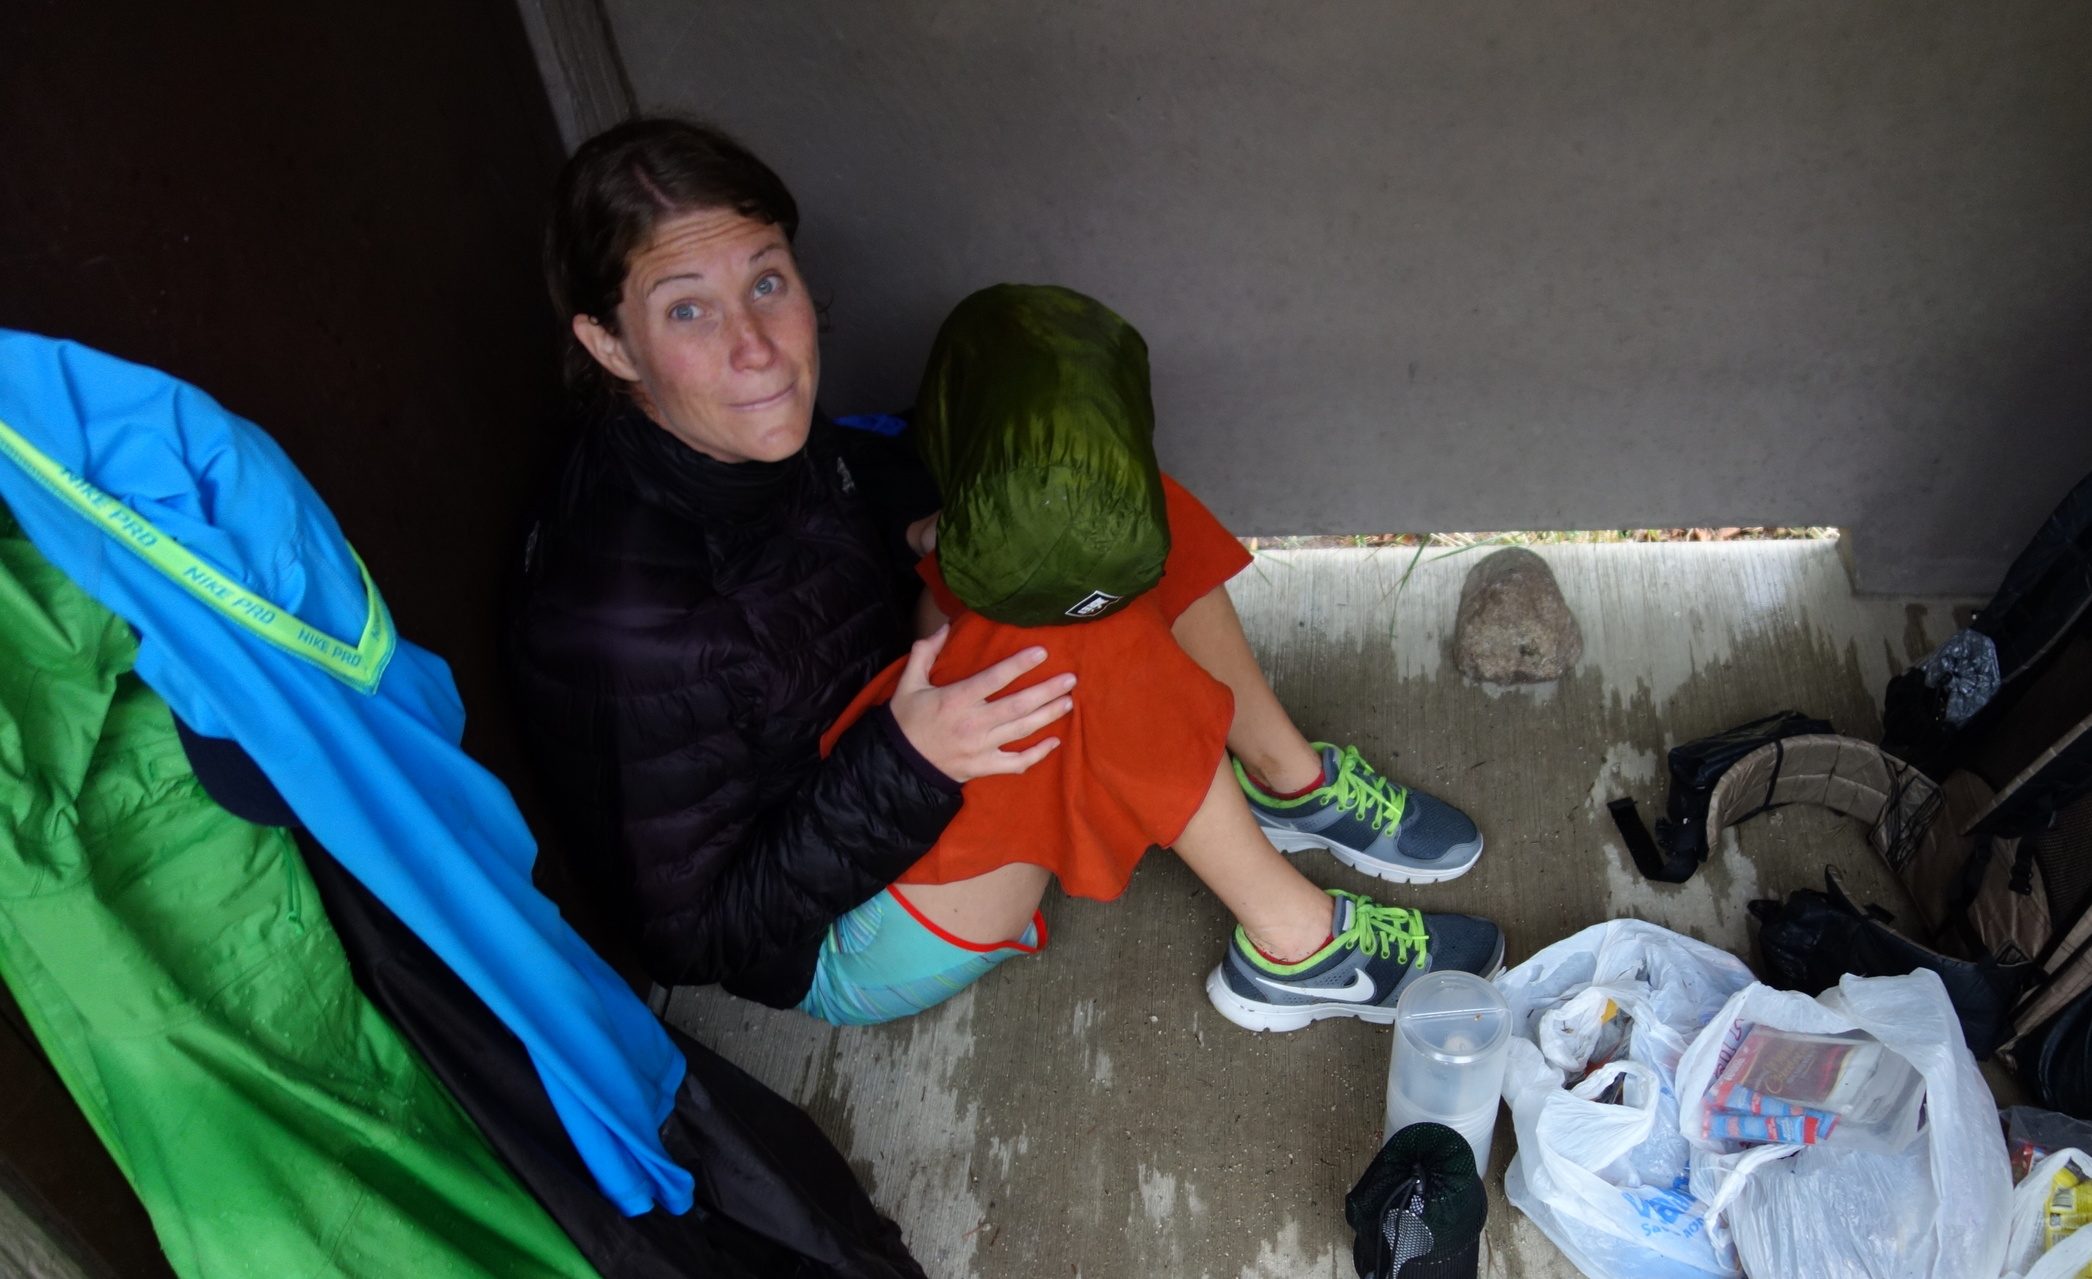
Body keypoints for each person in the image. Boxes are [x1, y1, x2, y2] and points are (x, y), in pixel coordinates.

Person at [511, 117, 1499, 1035]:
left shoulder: (729, 428)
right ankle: (1297, 946)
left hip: (878, 723)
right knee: (1078, 624)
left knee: (1094, 519)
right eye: (687, 309)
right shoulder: (622, 621)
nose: (755, 347)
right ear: (608, 342)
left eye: (765, 282)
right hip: (843, 929)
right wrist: (906, 759)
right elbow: (701, 936)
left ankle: (1289, 780)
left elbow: (824, 537)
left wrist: (935, 529)